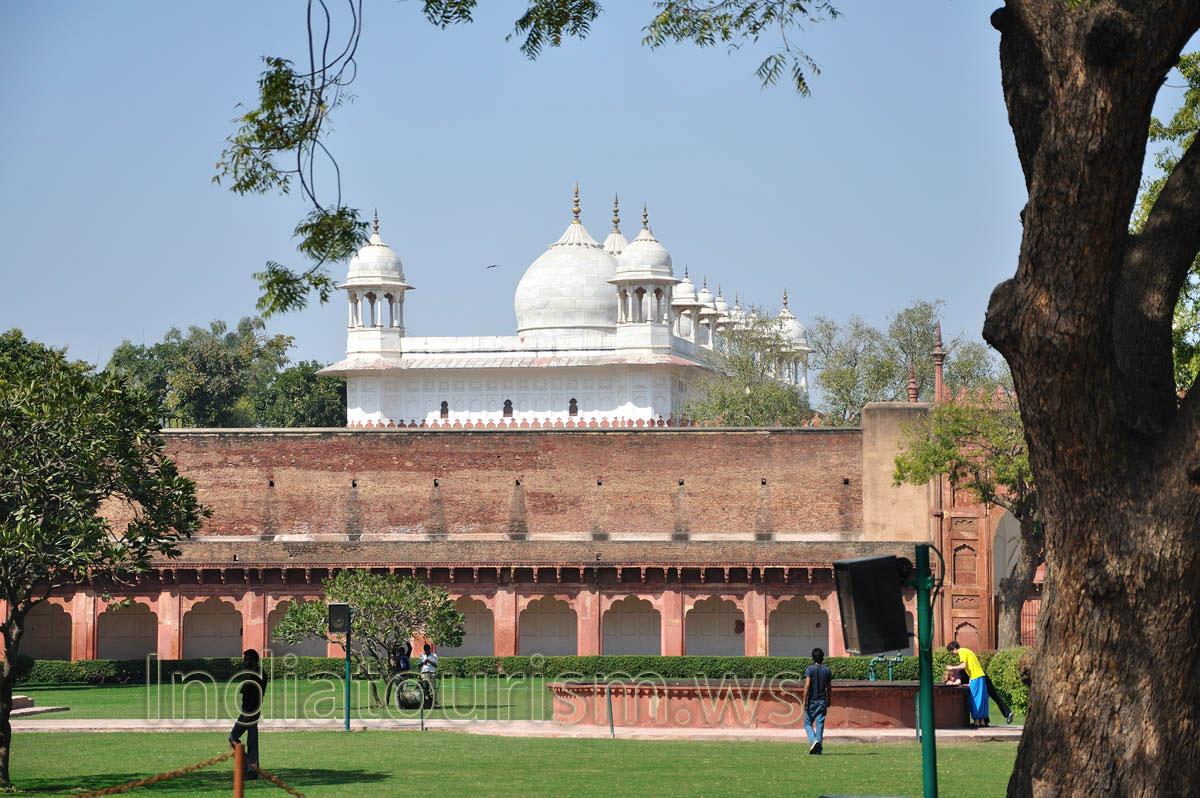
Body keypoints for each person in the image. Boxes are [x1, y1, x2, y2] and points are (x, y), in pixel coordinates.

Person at [945, 640, 1012, 727]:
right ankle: (982, 721)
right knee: (983, 699)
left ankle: (977, 721)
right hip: (981, 676)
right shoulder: (968, 651)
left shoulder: (962, 652)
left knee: (974, 699)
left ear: (954, 648)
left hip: (976, 677)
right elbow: (972, 667)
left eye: (951, 652)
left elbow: (964, 666)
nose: (952, 654)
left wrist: (952, 667)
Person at [229, 649, 268, 780]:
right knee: (251, 740)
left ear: (254, 660)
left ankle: (250, 767)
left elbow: (256, 695)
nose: (244, 662)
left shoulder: (257, 673)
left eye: (247, 660)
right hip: (249, 710)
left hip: (250, 711)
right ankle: (251, 768)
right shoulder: (253, 672)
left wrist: (249, 712)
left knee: (234, 737)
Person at [802, 647, 832, 754]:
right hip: (822, 701)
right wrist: (829, 699)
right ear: (822, 658)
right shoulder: (827, 670)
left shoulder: (810, 669)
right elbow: (829, 687)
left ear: (813, 658)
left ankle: (814, 741)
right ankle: (818, 749)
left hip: (812, 701)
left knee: (807, 723)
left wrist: (804, 700)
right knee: (820, 725)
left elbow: (807, 685)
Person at [418, 643, 439, 708]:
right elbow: (419, 665)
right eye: (425, 650)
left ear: (429, 650)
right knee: (425, 689)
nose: (426, 651)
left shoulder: (434, 656)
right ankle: (425, 702)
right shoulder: (422, 656)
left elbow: (436, 665)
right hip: (424, 673)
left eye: (427, 650)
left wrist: (430, 662)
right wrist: (423, 662)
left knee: (433, 689)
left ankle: (435, 703)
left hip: (431, 673)